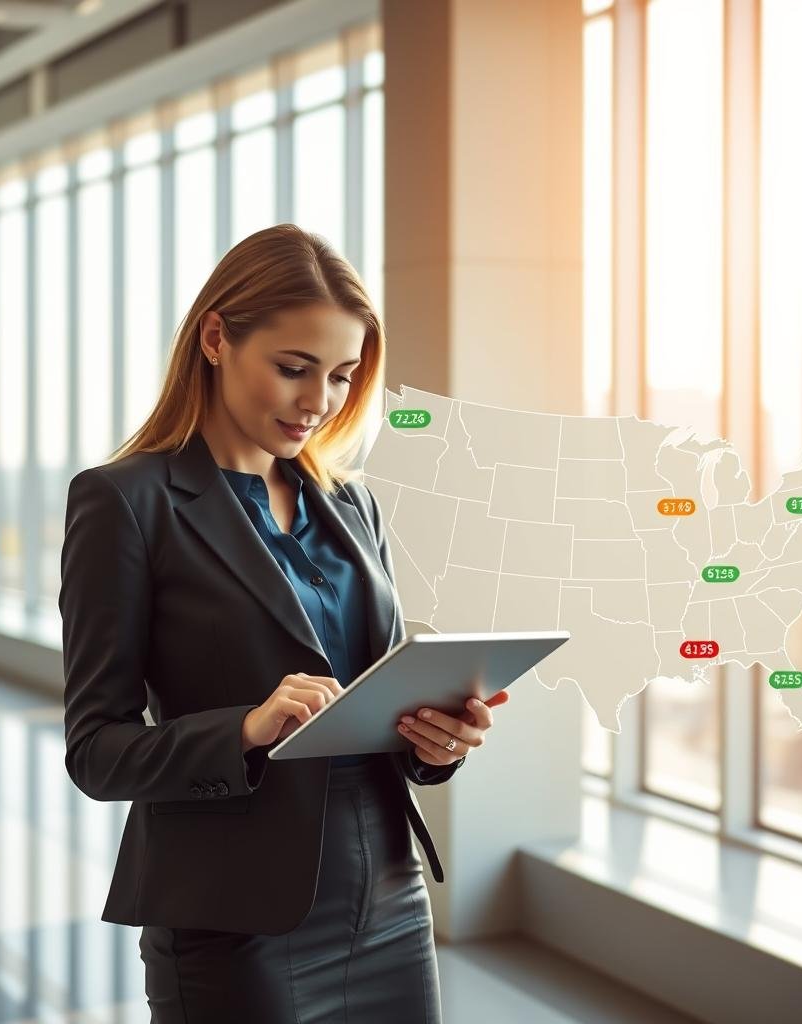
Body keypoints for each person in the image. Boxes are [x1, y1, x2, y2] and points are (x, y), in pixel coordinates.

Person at [58, 223, 508, 1022]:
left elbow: (375, 701)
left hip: (389, 902)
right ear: (216, 339)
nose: (319, 402)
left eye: (341, 376)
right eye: (294, 368)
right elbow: (96, 751)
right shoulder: (125, 502)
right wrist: (244, 730)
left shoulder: (351, 504)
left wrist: (435, 741)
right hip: (233, 925)